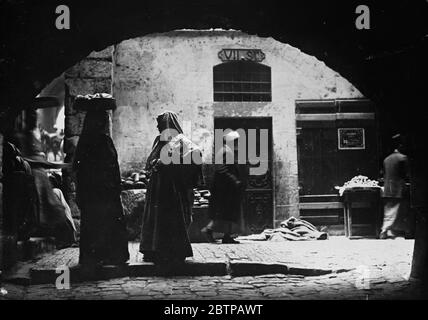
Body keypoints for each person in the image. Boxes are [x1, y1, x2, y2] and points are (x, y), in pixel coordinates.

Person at [140, 111, 203, 265]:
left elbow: (196, 155)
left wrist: (169, 162)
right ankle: (152, 250)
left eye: (160, 125)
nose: (158, 127)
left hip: (172, 188)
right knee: (156, 218)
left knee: (171, 219)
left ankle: (173, 252)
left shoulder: (181, 141)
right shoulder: (159, 141)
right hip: (157, 186)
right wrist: (156, 163)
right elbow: (151, 161)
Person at [12, 109, 75, 248]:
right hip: (35, 178)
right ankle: (64, 238)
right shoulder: (22, 137)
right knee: (51, 208)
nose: (34, 119)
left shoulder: (33, 135)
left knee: (52, 207)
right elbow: (29, 159)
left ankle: (65, 238)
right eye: (32, 117)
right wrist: (57, 164)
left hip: (41, 177)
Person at [74, 110, 129, 266]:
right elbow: (112, 167)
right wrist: (116, 186)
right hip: (105, 191)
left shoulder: (84, 141)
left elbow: (79, 170)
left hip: (91, 192)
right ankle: (111, 256)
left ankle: (94, 258)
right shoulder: (104, 141)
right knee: (107, 223)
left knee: (93, 225)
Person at [202, 130, 244, 244]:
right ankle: (212, 231)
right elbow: (223, 170)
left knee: (225, 213)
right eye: (236, 141)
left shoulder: (225, 150)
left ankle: (225, 235)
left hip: (224, 187)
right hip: (226, 188)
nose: (237, 143)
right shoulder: (226, 151)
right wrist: (234, 180)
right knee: (226, 212)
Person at [379, 134, 410, 239]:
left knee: (389, 209)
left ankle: (387, 230)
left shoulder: (387, 159)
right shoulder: (403, 158)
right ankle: (396, 230)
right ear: (400, 145)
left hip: (388, 188)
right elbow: (406, 174)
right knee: (400, 210)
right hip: (398, 188)